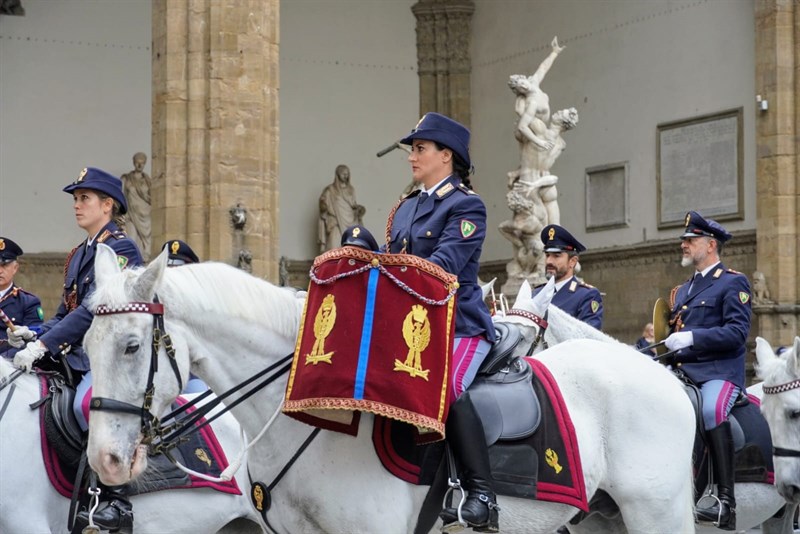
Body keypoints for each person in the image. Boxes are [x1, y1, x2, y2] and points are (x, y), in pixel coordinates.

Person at [10, 167, 143, 531]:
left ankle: (115, 499)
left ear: (108, 204)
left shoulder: (120, 248)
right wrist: (33, 333)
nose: (77, 205)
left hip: (106, 361)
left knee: (89, 407)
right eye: (75, 199)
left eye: (84, 198)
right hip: (73, 357)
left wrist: (44, 344)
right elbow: (64, 311)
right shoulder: (78, 254)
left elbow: (92, 310)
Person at [388, 112, 498, 531]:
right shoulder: (406, 208)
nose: (411, 158)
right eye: (412, 150)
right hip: (411, 325)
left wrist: (390, 277)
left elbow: (443, 267)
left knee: (444, 387)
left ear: (446, 156)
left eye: (419, 149)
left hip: (460, 326)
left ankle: (480, 492)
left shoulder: (466, 205)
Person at [663, 210, 751, 530]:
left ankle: (725, 501)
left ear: (710, 245)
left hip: (719, 372)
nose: (684, 245)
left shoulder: (733, 282)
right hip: (684, 371)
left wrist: (692, 337)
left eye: (690, 240)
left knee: (713, 412)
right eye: (684, 240)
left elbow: (737, 334)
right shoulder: (682, 291)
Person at [532, 224, 603, 330]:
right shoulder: (536, 293)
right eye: (547, 255)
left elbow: (588, 339)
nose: (549, 261)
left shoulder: (586, 295)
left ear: (572, 261)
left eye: (556, 256)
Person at [161, 239, 208, 394]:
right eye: (167, 271)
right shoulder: (152, 302)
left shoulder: (200, 307)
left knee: (198, 398)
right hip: (158, 376)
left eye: (177, 271)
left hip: (192, 374)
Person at [0, 237, 44, 357]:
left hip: (10, 367)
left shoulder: (28, 302)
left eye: (4, 265)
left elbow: (33, 339)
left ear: (15, 268)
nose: (0, 271)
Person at [318, 164, 366, 253]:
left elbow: (353, 205)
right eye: (343, 174)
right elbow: (323, 204)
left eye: (347, 174)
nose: (345, 176)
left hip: (350, 222)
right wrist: (323, 205)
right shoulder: (330, 190)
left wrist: (359, 210)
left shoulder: (351, 189)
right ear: (337, 174)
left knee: (351, 250)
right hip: (336, 222)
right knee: (333, 248)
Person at [121, 152, 152, 260]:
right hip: (131, 215)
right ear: (134, 163)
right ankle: (133, 261)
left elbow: (153, 198)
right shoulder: (127, 179)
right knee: (132, 239)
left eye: (142, 163)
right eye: (137, 163)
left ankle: (145, 259)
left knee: (147, 244)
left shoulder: (148, 181)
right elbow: (122, 197)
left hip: (146, 216)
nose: (139, 166)